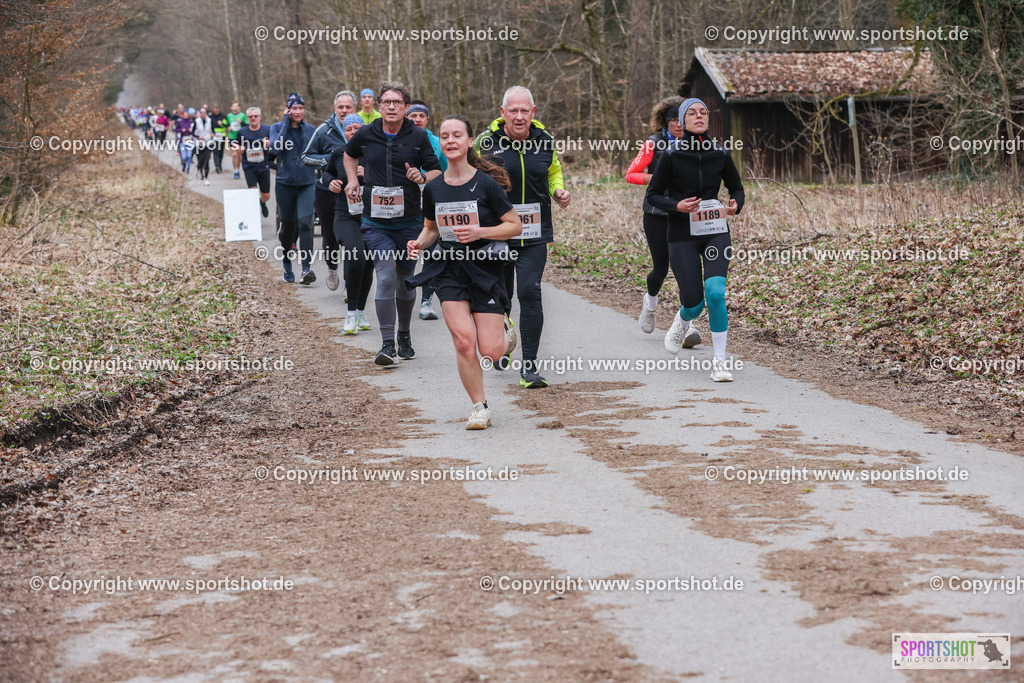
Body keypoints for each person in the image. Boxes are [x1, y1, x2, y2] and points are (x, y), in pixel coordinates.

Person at [407, 116, 521, 429]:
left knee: (492, 351)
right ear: (441, 144)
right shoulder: (434, 189)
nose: (451, 141)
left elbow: (514, 225)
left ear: (469, 141)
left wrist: (479, 231)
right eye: (445, 136)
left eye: (458, 135)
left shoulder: (485, 184)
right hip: (449, 271)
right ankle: (479, 407)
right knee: (463, 342)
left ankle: (505, 331)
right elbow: (431, 229)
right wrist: (419, 242)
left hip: (484, 269)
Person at [473, 85, 570, 388]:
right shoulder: (485, 142)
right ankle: (502, 335)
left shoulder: (545, 141)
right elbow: (469, 177)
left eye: (523, 110)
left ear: (533, 112)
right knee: (501, 295)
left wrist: (558, 191)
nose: (518, 116)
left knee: (529, 292)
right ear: (502, 113)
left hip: (534, 232)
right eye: (512, 111)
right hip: (497, 233)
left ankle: (529, 367)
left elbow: (552, 171)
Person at [343, 80, 442, 365]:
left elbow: (435, 170)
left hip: (410, 222)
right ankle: (386, 344)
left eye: (396, 102)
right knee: (385, 276)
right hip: (375, 222)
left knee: (404, 282)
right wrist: (352, 179)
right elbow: (349, 155)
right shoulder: (366, 133)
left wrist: (422, 178)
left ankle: (404, 334)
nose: (390, 106)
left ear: (406, 108)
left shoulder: (417, 136)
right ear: (379, 105)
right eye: (385, 101)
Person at [646, 98, 744, 382]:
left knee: (715, 294)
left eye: (703, 112)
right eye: (692, 113)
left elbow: (736, 188)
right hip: (681, 236)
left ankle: (720, 363)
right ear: (682, 121)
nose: (698, 116)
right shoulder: (671, 155)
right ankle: (683, 318)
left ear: (708, 120)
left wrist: (735, 203)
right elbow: (654, 195)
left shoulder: (720, 153)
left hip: (715, 231)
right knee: (694, 302)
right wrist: (677, 206)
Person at [626, 97, 701, 349]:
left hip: (686, 214)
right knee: (661, 267)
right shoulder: (653, 144)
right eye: (674, 120)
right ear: (666, 122)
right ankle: (650, 304)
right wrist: (657, 178)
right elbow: (630, 174)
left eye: (682, 119)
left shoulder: (697, 143)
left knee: (686, 270)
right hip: (657, 213)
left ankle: (687, 325)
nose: (679, 124)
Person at [323, 114, 375, 334]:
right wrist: (331, 182)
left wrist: (370, 174)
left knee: (368, 265)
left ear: (364, 130)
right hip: (345, 214)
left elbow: (393, 180)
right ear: (343, 132)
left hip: (373, 216)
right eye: (348, 129)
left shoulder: (374, 153)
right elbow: (326, 174)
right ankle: (350, 313)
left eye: (357, 128)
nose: (353, 132)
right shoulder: (338, 153)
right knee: (356, 259)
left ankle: (361, 313)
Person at [302, 90, 357, 292]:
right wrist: (331, 160)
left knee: (354, 237)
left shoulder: (361, 129)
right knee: (330, 236)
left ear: (354, 108)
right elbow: (306, 157)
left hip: (356, 193)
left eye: (348, 107)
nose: (344, 110)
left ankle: (351, 280)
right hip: (327, 190)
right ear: (334, 109)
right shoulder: (324, 130)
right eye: (340, 107)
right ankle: (332, 268)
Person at [269, 92, 317, 284]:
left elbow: (319, 153)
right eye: (294, 108)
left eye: (300, 108)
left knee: (306, 223)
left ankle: (306, 269)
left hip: (307, 184)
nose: (298, 112)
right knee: (287, 227)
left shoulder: (311, 130)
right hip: (285, 185)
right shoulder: (277, 128)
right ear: (288, 110)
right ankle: (287, 263)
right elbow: (274, 149)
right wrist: (285, 123)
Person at [407, 100, 447, 321]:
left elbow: (447, 174)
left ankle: (426, 302)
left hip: (432, 206)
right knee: (409, 254)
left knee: (431, 254)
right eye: (413, 116)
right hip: (405, 208)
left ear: (427, 120)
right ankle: (404, 296)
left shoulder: (437, 144)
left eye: (421, 116)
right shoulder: (400, 140)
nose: (417, 119)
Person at [236, 106, 272, 217]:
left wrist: (269, 143)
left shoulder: (267, 129)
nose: (253, 118)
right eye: (250, 116)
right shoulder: (242, 132)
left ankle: (262, 203)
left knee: (266, 195)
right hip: (249, 166)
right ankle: (254, 217)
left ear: (260, 117)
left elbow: (276, 143)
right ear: (247, 118)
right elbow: (235, 143)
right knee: (253, 192)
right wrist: (238, 148)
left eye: (255, 116)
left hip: (264, 166)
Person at [225, 101, 248, 179]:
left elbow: (248, 125)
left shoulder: (242, 115)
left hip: (241, 137)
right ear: (231, 107)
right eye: (234, 106)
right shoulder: (229, 116)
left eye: (237, 106)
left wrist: (241, 122)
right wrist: (228, 127)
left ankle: (238, 169)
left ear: (239, 107)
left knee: (239, 155)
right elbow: (226, 124)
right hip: (232, 137)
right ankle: (235, 171)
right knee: (234, 154)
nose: (235, 107)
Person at [193, 107, 214, 184]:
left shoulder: (210, 121)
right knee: (200, 161)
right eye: (201, 112)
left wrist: (213, 133)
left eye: (204, 112)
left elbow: (213, 129)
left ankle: (206, 178)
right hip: (199, 144)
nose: (203, 114)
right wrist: (198, 137)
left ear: (207, 113)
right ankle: (199, 170)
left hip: (208, 143)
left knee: (207, 160)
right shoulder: (196, 121)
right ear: (199, 113)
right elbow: (192, 133)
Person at [174, 109, 194, 173]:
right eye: (184, 115)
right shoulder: (180, 121)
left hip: (190, 140)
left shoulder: (191, 121)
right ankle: (184, 165)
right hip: (182, 140)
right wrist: (181, 130)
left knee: (189, 155)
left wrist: (192, 133)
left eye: (186, 114)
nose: (185, 116)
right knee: (184, 156)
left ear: (188, 115)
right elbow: (176, 129)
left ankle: (188, 168)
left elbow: (195, 130)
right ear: (183, 115)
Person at [210, 105, 227, 172]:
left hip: (222, 136)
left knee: (221, 151)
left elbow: (226, 125)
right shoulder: (211, 116)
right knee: (215, 151)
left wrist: (222, 123)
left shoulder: (223, 116)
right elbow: (209, 126)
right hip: (214, 136)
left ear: (219, 109)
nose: (216, 111)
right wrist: (211, 133)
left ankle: (219, 164)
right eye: (215, 110)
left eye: (218, 110)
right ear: (213, 109)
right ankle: (217, 166)